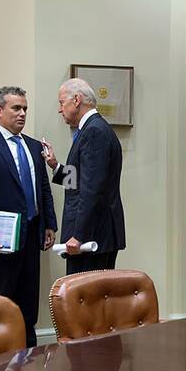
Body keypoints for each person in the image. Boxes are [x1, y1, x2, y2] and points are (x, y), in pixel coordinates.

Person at [0, 86, 57, 347]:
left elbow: (44, 189)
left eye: (25, 108)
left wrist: (50, 223)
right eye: (16, 108)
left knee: (28, 305)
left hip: (31, 235)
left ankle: (29, 358)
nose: (22, 113)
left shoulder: (34, 146)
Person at [43, 78, 125, 274]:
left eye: (62, 102)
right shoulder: (91, 129)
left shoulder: (94, 132)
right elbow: (80, 182)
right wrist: (55, 166)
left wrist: (79, 235)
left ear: (77, 100)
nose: (59, 109)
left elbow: (92, 190)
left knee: (86, 301)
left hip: (91, 238)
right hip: (94, 234)